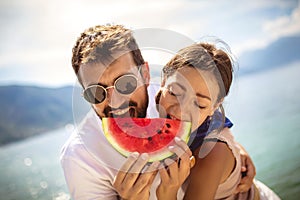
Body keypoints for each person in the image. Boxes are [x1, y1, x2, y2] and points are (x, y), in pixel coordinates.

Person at [60, 24, 256, 199]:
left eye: (126, 83)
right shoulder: (78, 159)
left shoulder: (164, 97)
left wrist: (236, 151)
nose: (116, 101)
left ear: (145, 74)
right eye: (96, 92)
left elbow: (210, 124)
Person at [155, 42, 281, 199]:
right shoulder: (150, 99)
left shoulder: (213, 152)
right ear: (163, 80)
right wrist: (240, 149)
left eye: (198, 105)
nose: (180, 110)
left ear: (215, 106)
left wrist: (168, 192)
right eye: (175, 92)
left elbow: (220, 143)